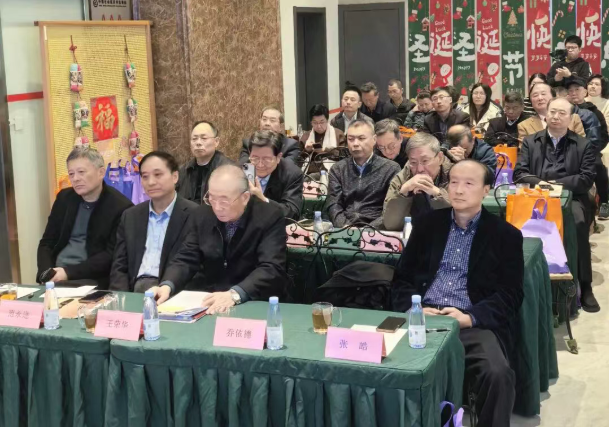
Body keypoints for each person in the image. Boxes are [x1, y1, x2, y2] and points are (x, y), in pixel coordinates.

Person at [392, 159, 524, 427]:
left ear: (486, 190)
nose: (459, 190)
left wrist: (470, 317)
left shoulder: (505, 235)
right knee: (379, 362)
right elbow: (402, 278)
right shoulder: (427, 225)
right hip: (421, 317)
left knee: (497, 374)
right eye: (453, 182)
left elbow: (510, 294)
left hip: (468, 322)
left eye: (469, 183)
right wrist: (414, 308)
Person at [151, 165, 288, 313]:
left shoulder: (269, 216)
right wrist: (168, 285)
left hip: (255, 300)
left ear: (245, 197)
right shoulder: (202, 214)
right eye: (212, 198)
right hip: (211, 299)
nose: (217, 207)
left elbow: (271, 267)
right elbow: (186, 257)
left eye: (224, 201)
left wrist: (235, 293)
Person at [514, 97, 599, 312]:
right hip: (536, 198)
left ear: (570, 118)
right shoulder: (531, 141)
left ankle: (585, 286)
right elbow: (520, 173)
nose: (556, 117)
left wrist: (555, 185)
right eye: (552, 112)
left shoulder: (583, 144)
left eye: (562, 113)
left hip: (571, 197)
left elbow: (586, 179)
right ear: (546, 115)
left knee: (578, 224)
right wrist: (542, 185)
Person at [37, 147, 133, 289]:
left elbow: (111, 255)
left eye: (81, 172)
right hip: (56, 275)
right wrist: (45, 273)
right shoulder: (64, 198)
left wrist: (67, 273)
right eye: (71, 174)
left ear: (101, 172)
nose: (75, 178)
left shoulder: (121, 207)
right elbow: (47, 242)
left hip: (91, 278)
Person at [110, 151, 199, 292]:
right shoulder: (130, 215)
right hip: (135, 289)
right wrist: (121, 297)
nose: (151, 182)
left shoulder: (195, 214)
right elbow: (119, 265)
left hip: (172, 289)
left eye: (158, 175)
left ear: (175, 177)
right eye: (145, 177)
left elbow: (193, 263)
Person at [327, 118, 401, 227]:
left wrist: (366, 231)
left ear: (374, 140)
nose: (355, 144)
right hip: (345, 228)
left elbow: (391, 209)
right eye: (351, 139)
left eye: (361, 138)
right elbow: (334, 205)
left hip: (376, 230)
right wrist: (345, 227)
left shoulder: (391, 169)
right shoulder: (338, 169)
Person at [383, 132, 452, 230]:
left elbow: (462, 221)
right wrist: (403, 193)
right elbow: (391, 224)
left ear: (440, 158)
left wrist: (437, 193)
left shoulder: (456, 176)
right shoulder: (402, 178)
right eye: (413, 162)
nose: (419, 169)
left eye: (425, 161)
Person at [567, 76, 609, 219]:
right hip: (567, 150)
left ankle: (604, 201)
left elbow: (603, 136)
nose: (573, 93)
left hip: (591, 150)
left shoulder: (594, 112)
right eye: (570, 90)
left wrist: (591, 150)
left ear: (585, 92)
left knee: (598, 165)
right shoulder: (563, 110)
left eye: (577, 89)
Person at [246, 130, 304, 220]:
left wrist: (263, 200)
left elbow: (292, 213)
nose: (260, 164)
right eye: (255, 158)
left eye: (266, 159)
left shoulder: (292, 174)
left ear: (278, 157)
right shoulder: (244, 169)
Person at [177, 120, 235, 204]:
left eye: (204, 138)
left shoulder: (229, 170)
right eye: (194, 139)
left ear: (216, 141)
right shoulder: (183, 171)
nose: (198, 143)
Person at [518, 82, 585, 139]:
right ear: (530, 101)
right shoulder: (524, 126)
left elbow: (581, 145)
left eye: (543, 94)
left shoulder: (573, 119)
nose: (540, 98)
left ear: (553, 97)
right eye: (535, 95)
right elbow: (525, 149)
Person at [299, 104, 346, 176]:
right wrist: (307, 150)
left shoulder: (338, 134)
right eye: (315, 122)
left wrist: (325, 150)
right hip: (310, 173)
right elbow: (299, 160)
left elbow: (344, 157)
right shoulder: (306, 136)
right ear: (311, 122)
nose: (319, 126)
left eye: (322, 122)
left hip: (333, 173)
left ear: (327, 120)